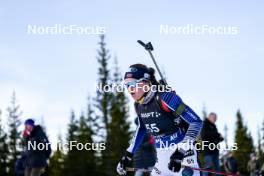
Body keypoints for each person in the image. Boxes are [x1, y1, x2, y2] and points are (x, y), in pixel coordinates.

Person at [116, 64, 203, 176]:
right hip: (162, 156)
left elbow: (196, 122)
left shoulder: (165, 98)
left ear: (146, 83)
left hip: (184, 154)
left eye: (133, 84)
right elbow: (141, 129)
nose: (130, 89)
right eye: (127, 85)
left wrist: (180, 152)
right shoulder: (138, 106)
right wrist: (128, 155)